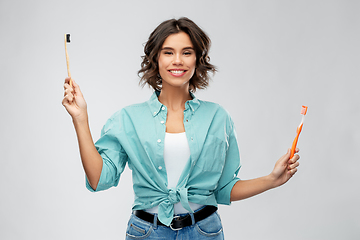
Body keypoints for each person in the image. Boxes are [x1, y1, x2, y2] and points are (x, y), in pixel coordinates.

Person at [62, 17, 300, 240]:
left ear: (197, 59)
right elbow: (98, 179)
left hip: (205, 231)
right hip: (147, 232)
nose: (178, 60)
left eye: (187, 52)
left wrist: (272, 179)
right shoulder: (127, 119)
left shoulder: (218, 117)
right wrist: (80, 119)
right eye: (168, 52)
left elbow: (225, 189)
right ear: (156, 59)